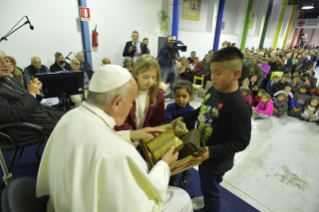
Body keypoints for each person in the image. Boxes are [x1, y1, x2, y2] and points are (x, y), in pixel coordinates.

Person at [36, 64, 192, 212]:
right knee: (183, 197)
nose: (131, 106)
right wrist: (164, 165)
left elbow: (96, 138)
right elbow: (142, 206)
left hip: (63, 203)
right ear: (117, 102)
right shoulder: (119, 152)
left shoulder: (69, 117)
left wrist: (131, 135)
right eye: (131, 102)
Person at [175, 47, 251, 212]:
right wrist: (186, 118)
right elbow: (202, 108)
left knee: (211, 189)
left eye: (218, 73)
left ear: (236, 74)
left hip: (216, 160)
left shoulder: (239, 106)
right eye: (212, 72)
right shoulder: (214, 89)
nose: (212, 77)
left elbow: (242, 141)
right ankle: (206, 199)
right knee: (206, 184)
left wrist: (211, 151)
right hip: (203, 152)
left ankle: (210, 206)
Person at [0, 50, 65, 138]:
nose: (6, 65)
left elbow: (28, 99)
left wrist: (36, 91)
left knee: (72, 117)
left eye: (6, 60)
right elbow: (10, 116)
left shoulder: (10, 79)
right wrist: (31, 94)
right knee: (67, 127)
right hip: (21, 126)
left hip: (39, 113)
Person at [114, 55, 165, 147]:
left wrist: (148, 137)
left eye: (153, 77)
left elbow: (157, 122)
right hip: (128, 139)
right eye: (146, 77)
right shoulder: (125, 92)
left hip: (147, 140)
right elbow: (121, 121)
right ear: (136, 74)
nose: (150, 81)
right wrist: (134, 136)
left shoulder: (159, 95)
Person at [164, 80, 195, 188]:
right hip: (172, 139)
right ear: (174, 95)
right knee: (173, 158)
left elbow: (191, 129)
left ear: (190, 96)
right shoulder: (170, 108)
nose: (180, 99)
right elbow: (167, 123)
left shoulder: (191, 111)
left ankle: (185, 173)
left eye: (184, 96)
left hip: (184, 140)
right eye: (177, 96)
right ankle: (172, 175)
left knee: (185, 158)